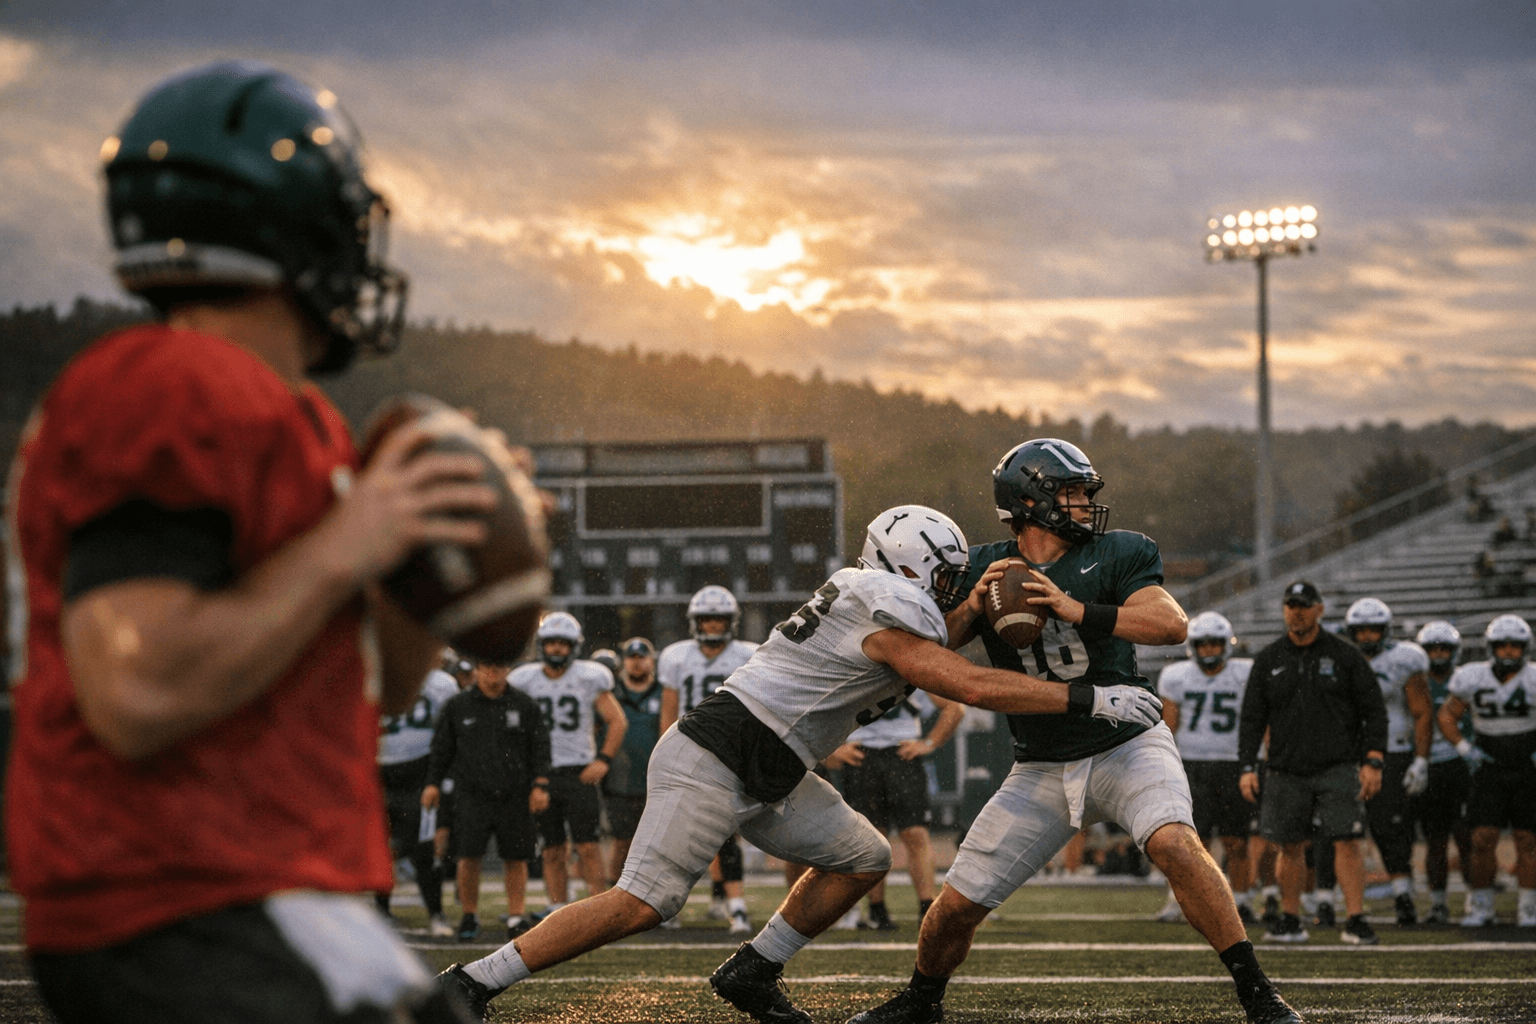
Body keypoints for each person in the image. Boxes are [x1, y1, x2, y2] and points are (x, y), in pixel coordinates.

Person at [4, 62, 491, 1023]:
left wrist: (426, 560)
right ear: (292, 225)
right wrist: (351, 542)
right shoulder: (172, 383)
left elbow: (382, 686)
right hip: (192, 896)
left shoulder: (292, 418)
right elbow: (138, 688)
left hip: (261, 888)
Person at [439, 503, 1167, 1023]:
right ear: (915, 570)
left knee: (860, 855)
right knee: (644, 902)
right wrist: (1089, 699)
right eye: (946, 575)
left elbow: (930, 646)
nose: (954, 586)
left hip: (772, 760)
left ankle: (753, 969)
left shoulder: (868, 593)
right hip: (717, 753)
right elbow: (965, 681)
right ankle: (473, 982)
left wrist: (973, 608)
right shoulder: (887, 610)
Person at [850, 440, 1301, 1024]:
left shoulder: (1118, 553)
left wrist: (1074, 607)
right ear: (1030, 500)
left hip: (1125, 741)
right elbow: (929, 650)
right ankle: (920, 1001)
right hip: (1038, 762)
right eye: (1072, 492)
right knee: (955, 907)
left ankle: (1258, 994)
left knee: (1173, 843)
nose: (1086, 503)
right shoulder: (983, 565)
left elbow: (1171, 625)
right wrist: (973, 606)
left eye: (1085, 492)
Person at [1238, 581, 1389, 947]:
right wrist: (1246, 766)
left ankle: (1355, 919)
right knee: (1289, 845)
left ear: (1319, 609)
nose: (1297, 612)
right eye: (1291, 605)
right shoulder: (1270, 658)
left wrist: (1373, 760)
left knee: (1347, 840)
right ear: (1284, 609)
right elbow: (1252, 718)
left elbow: (1374, 711)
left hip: (1338, 764)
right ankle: (1290, 918)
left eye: (1304, 605)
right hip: (1285, 767)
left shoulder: (1344, 655)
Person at [423, 659, 552, 941]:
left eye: (499, 668)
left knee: (515, 857)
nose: (493, 673)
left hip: (515, 794)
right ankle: (469, 914)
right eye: (488, 667)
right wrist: (433, 783)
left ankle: (516, 915)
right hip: (471, 793)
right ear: (478, 670)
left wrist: (540, 784)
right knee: (468, 856)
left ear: (507, 669)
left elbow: (540, 746)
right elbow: (442, 748)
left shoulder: (524, 704)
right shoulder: (458, 705)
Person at [658, 585, 760, 932]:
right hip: (690, 750)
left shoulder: (749, 653)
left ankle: (735, 905)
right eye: (708, 619)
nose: (714, 625)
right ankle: (671, 905)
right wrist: (666, 751)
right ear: (695, 621)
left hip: (733, 754)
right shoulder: (675, 656)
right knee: (679, 832)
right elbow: (669, 709)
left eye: (720, 619)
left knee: (725, 833)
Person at [510, 611, 627, 915]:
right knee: (551, 848)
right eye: (552, 643)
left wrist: (603, 759)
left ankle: (598, 907)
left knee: (588, 845)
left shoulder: (589, 677)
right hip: (542, 773)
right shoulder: (524, 680)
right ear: (542, 645)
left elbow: (617, 721)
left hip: (579, 770)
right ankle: (557, 907)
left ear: (574, 646)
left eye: (564, 643)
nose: (557, 649)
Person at [824, 689, 965, 929]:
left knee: (915, 833)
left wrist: (929, 743)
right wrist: (832, 748)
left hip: (901, 755)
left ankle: (927, 907)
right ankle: (877, 910)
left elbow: (955, 708)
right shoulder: (856, 667)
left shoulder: (912, 669)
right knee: (871, 839)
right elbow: (819, 710)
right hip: (860, 755)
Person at [1154, 611, 1257, 924]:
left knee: (1236, 841)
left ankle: (1242, 901)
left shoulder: (1246, 673)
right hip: (1191, 764)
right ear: (1193, 646)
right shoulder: (1175, 675)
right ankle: (1179, 901)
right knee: (1190, 841)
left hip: (1234, 764)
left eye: (1215, 643)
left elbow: (1256, 719)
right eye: (1203, 644)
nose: (1210, 650)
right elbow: (1168, 725)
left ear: (1227, 644)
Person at [1437, 614, 1536, 928]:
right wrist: (1464, 748)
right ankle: (1481, 906)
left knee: (1528, 839)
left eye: (1515, 646)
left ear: (1525, 648)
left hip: (1526, 766)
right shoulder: (1473, 676)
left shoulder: (1533, 678)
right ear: (1491, 647)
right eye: (1502, 645)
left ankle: (1529, 908)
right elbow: (1447, 715)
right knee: (1482, 837)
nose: (1508, 651)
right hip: (1489, 766)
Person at [1341, 597, 1433, 926]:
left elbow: (1422, 712)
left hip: (1393, 751)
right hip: (1348, 753)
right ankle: (1326, 899)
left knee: (1392, 827)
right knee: (1339, 829)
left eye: (1373, 629)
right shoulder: (1340, 658)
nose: (1367, 636)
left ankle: (1403, 895)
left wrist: (1421, 759)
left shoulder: (1403, 658)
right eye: (1361, 630)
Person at [378, 663, 462, 937]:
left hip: (420, 770)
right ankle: (381, 912)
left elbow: (449, 732)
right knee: (380, 845)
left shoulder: (440, 683)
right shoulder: (370, 672)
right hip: (377, 769)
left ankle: (436, 913)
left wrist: (440, 776)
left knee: (424, 848)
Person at [1413, 620, 1475, 925]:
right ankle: (1438, 903)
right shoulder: (1414, 683)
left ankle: (1475, 897)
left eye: (1443, 648)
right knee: (1435, 839)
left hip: (1462, 766)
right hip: (1429, 767)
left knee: (1467, 836)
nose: (1438, 654)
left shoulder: (1467, 680)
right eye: (1432, 648)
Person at [604, 637, 662, 883]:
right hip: (619, 776)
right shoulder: (610, 693)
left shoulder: (664, 692)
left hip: (655, 776)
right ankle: (612, 895)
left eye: (642, 658)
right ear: (623, 663)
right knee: (622, 840)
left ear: (652, 661)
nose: (637, 664)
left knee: (657, 844)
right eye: (632, 658)